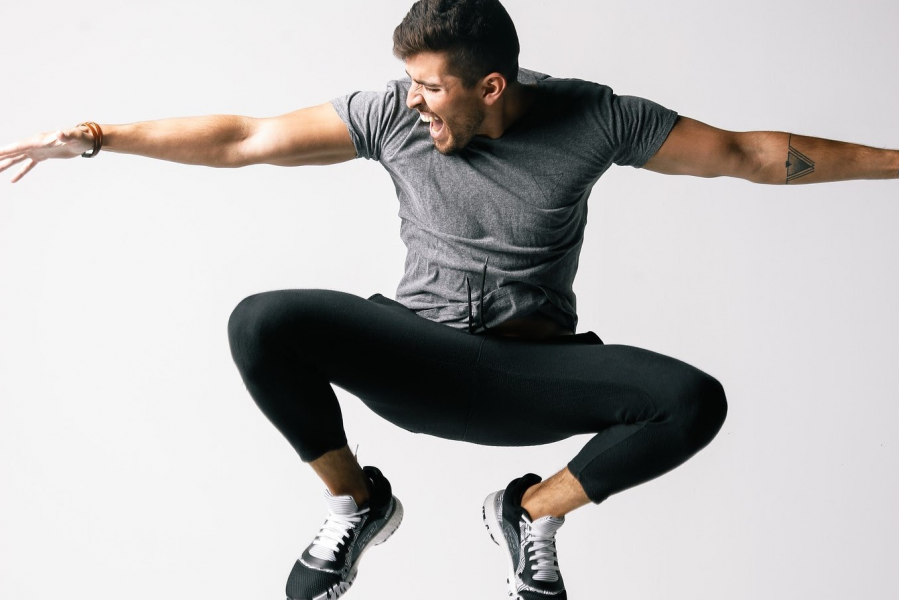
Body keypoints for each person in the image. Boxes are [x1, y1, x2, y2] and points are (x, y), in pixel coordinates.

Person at [1, 1, 896, 599]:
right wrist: (98, 136)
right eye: (410, 82)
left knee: (692, 400)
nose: (413, 100)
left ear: (490, 86)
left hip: (531, 376)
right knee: (263, 320)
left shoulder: (592, 117)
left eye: (431, 86)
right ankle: (356, 506)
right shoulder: (393, 116)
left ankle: (528, 514)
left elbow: (747, 154)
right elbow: (245, 137)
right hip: (416, 357)